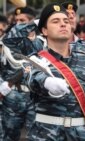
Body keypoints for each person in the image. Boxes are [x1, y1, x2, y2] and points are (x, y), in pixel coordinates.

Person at [17, 3, 85, 140]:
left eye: (66, 21)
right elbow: (31, 78)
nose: (63, 24)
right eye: (55, 21)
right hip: (46, 133)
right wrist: (46, 81)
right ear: (44, 31)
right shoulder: (35, 59)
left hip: (81, 134)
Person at [0, 6, 39, 141]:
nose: (17, 24)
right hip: (12, 95)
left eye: (22, 20)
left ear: (31, 22)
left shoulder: (42, 42)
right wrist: (3, 86)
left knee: (36, 135)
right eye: (16, 20)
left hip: (35, 97)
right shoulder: (6, 43)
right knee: (9, 134)